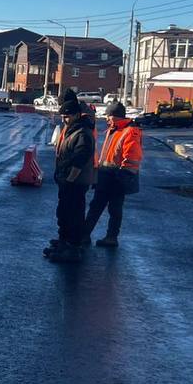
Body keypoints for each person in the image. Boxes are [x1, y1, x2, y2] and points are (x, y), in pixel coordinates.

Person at [45, 92, 95, 263]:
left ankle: (73, 247)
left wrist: (70, 179)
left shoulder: (82, 133)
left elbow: (80, 159)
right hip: (66, 179)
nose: (64, 120)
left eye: (67, 117)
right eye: (63, 116)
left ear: (75, 115)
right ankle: (64, 241)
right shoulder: (71, 130)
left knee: (74, 213)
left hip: (75, 182)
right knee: (64, 212)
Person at [85, 101, 143, 247]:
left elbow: (131, 155)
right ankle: (85, 235)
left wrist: (124, 174)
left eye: (108, 116)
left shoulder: (129, 131)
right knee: (97, 206)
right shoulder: (114, 129)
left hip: (117, 175)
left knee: (113, 208)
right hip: (105, 174)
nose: (106, 119)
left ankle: (110, 237)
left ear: (116, 116)